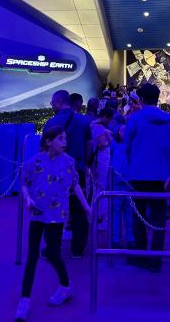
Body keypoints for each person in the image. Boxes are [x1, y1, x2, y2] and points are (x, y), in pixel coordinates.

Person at [15, 126, 90, 321]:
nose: (64, 142)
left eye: (65, 138)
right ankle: (25, 298)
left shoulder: (69, 162)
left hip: (57, 214)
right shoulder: (34, 162)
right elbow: (24, 182)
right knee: (32, 255)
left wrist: (86, 206)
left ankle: (65, 286)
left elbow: (75, 184)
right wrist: (27, 198)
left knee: (53, 252)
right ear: (48, 141)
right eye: (60, 138)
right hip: (38, 213)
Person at [125, 82, 170, 272]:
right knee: (159, 218)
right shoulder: (169, 120)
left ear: (141, 98)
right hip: (163, 176)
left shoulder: (135, 119)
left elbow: (127, 146)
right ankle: (156, 259)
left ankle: (140, 256)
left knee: (138, 217)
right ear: (157, 98)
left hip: (139, 175)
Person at [42, 90, 91, 258]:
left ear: (58, 101)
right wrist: (86, 164)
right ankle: (78, 248)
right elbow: (89, 146)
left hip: (55, 172)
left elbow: (44, 149)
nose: (51, 105)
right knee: (78, 209)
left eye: (52, 102)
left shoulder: (51, 123)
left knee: (54, 208)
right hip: (78, 169)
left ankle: (52, 247)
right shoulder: (84, 121)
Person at [110, 124, 135, 248]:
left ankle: (130, 238)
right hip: (118, 185)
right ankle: (116, 240)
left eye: (126, 129)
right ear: (118, 133)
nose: (125, 132)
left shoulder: (133, 148)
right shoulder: (116, 147)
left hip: (129, 185)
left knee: (129, 214)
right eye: (122, 130)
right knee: (116, 214)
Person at [90, 108, 113, 230]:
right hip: (101, 160)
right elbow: (102, 144)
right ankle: (100, 217)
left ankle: (96, 216)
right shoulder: (98, 127)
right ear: (105, 116)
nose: (109, 121)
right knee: (103, 187)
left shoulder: (94, 125)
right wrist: (109, 138)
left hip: (97, 161)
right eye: (109, 119)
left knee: (98, 188)